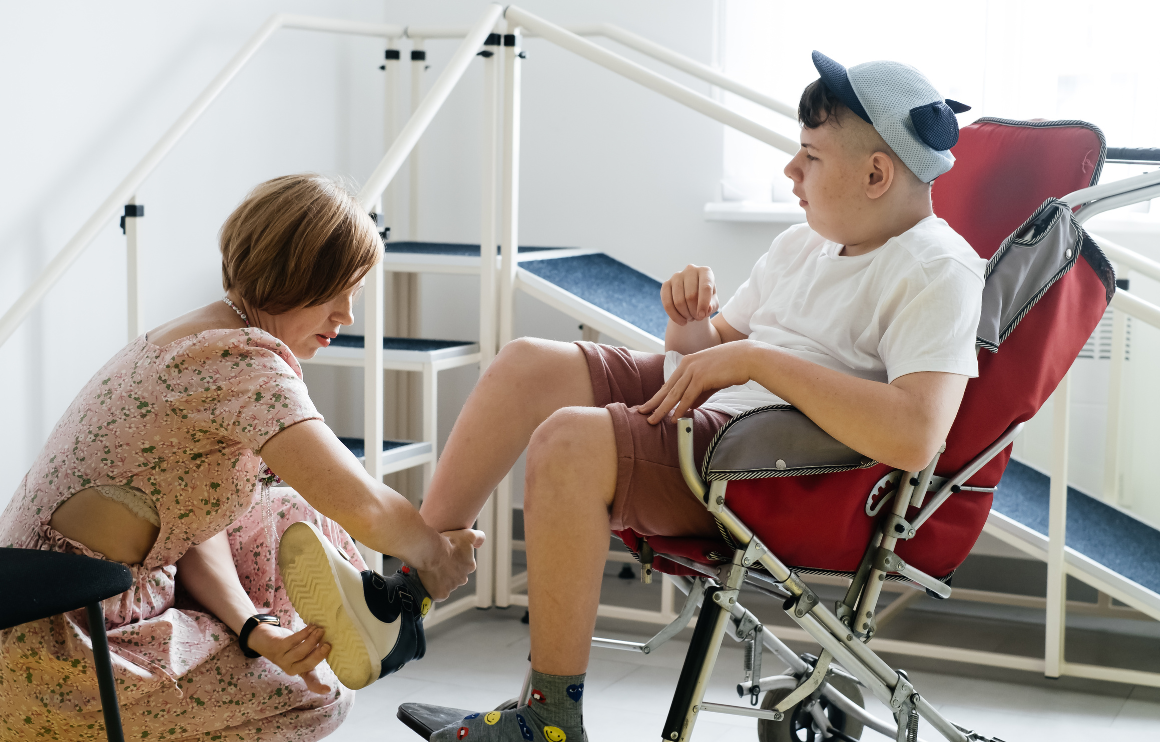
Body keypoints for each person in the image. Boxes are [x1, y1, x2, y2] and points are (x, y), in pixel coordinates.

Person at [283, 52, 987, 742]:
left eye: (810, 156)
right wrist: (690, 318)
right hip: (720, 426)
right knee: (529, 364)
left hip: (772, 472)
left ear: (876, 173)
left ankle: (550, 718)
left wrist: (756, 361)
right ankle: (408, 596)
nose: (789, 170)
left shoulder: (937, 268)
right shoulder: (805, 245)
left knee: (570, 438)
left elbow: (915, 434)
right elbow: (701, 358)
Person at [0, 174, 483, 741]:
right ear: (290, 275)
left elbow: (194, 521)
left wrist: (255, 630)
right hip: (61, 648)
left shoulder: (193, 334)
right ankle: (374, 621)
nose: (347, 314)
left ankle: (349, 622)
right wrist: (433, 552)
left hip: (72, 600)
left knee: (289, 512)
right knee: (315, 699)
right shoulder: (240, 364)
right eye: (334, 290)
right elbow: (365, 507)